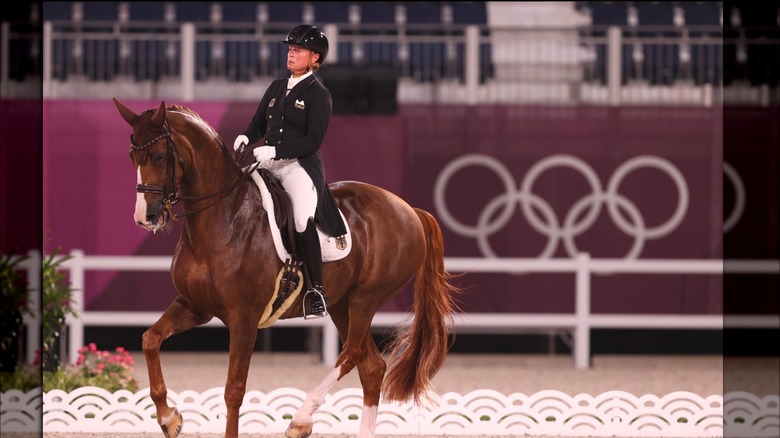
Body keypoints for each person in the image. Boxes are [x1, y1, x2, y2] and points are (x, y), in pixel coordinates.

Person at [233, 24, 346, 319]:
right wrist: (246, 135)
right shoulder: (275, 87)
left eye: (298, 50)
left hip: (299, 166)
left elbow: (313, 140)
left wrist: (275, 151)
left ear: (315, 58)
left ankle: (316, 290)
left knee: (300, 218)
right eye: (290, 49)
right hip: (268, 163)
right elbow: (259, 123)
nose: (291, 54)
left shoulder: (319, 94)